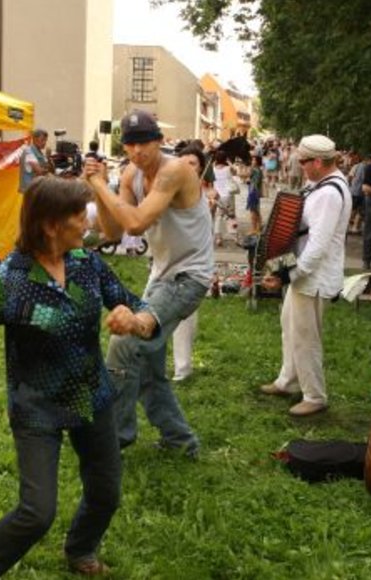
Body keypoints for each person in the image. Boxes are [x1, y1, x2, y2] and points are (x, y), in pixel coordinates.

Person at [0, 177, 158, 578]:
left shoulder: (87, 264)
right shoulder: (10, 280)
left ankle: (80, 548)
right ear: (51, 225)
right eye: (79, 214)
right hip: (36, 406)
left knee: (106, 494)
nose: (87, 221)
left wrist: (136, 320)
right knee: (38, 512)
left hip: (92, 395)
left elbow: (139, 307)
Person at [84, 109, 214, 457]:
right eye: (130, 143)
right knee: (147, 367)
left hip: (189, 277)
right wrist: (98, 189)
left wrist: (98, 185)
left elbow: (137, 223)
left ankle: (115, 436)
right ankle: (180, 441)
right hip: (161, 276)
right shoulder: (130, 174)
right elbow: (113, 232)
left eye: (144, 142)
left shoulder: (176, 171)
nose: (137, 150)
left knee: (124, 343)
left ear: (158, 141)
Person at [258, 134, 352, 417]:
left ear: (320, 162)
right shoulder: (320, 186)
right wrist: (281, 267)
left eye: (303, 161)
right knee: (290, 328)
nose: (299, 165)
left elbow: (317, 247)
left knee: (306, 337)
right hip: (303, 275)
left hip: (314, 279)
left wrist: (287, 276)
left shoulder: (328, 194)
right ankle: (288, 381)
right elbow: (302, 237)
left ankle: (314, 395)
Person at [171, 145, 211, 382]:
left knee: (185, 318)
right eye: (182, 163)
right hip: (166, 264)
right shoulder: (170, 190)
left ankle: (182, 368)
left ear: (201, 168)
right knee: (150, 312)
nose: (187, 168)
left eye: (193, 164)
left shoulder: (201, 196)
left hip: (191, 266)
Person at [247, 154, 264, 234]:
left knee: (253, 211)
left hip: (253, 191)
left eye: (254, 160)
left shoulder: (255, 170)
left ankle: (254, 228)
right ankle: (259, 226)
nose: (252, 161)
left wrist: (249, 180)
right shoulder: (258, 170)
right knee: (256, 210)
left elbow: (254, 182)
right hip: (255, 191)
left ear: (257, 162)